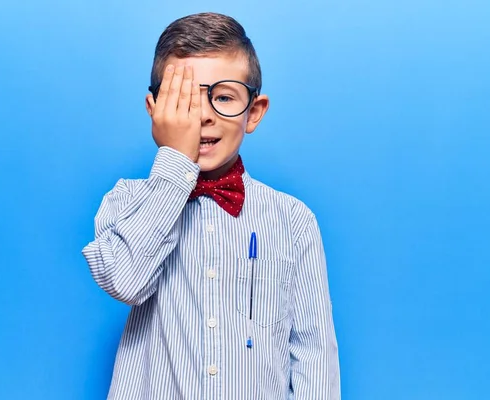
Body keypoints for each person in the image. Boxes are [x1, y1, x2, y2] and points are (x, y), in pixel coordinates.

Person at [82, 12, 340, 399]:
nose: (203, 115)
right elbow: (125, 281)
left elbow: (313, 352)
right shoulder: (125, 202)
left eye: (222, 97)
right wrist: (175, 162)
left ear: (253, 112)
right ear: (154, 109)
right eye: (183, 99)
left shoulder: (293, 220)